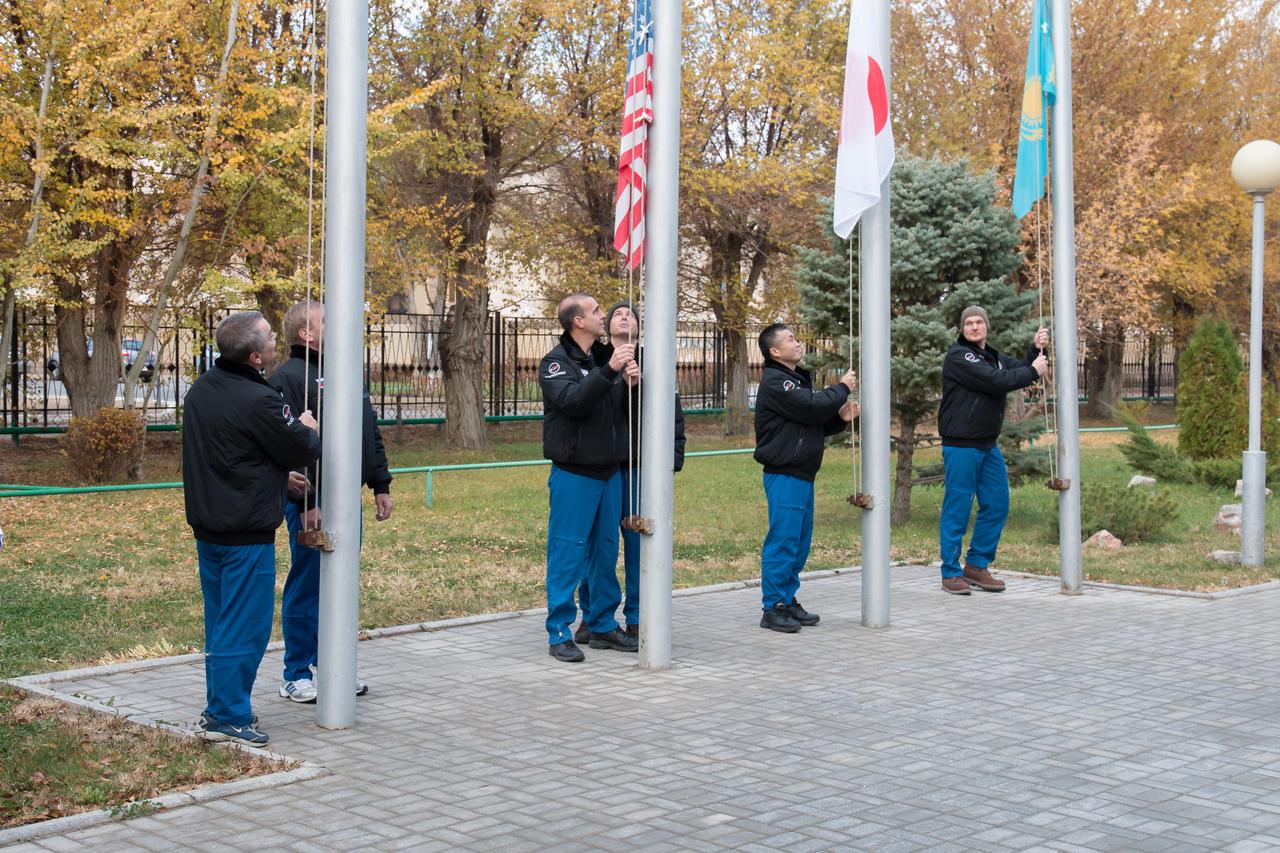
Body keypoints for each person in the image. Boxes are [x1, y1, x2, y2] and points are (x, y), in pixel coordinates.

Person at [183, 311, 321, 746]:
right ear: (257, 356)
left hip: (211, 526)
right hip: (246, 533)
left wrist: (279, 479)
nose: (276, 345)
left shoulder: (202, 389)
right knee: (244, 626)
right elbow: (302, 444)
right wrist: (306, 427)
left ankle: (218, 706)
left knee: (222, 621)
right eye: (269, 340)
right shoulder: (259, 399)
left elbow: (233, 456)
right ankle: (229, 714)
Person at [269, 301, 393, 701]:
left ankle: (334, 666)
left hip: (346, 495)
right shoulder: (288, 377)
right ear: (306, 333)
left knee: (339, 582)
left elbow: (367, 430)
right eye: (328, 321)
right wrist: (306, 503)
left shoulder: (344, 370)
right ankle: (297, 671)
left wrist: (380, 482)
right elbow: (290, 445)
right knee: (309, 583)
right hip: (313, 499)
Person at [573, 301, 685, 643]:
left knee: (640, 544)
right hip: (606, 467)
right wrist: (619, 382)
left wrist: (673, 456)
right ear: (606, 328)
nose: (624, 317)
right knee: (600, 547)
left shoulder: (657, 359)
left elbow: (672, 411)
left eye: (631, 314)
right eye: (617, 314)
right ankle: (593, 618)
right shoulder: (598, 359)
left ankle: (639, 615)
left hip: (642, 468)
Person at [541, 293, 638, 662]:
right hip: (575, 473)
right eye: (596, 311)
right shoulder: (556, 362)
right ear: (577, 322)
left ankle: (601, 625)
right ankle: (559, 632)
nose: (604, 315)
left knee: (604, 553)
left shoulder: (602, 358)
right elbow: (575, 402)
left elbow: (618, 412)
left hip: (609, 472)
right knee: (568, 552)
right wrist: (611, 371)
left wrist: (631, 384)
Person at [753, 323, 858, 633]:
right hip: (784, 473)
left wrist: (838, 419)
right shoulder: (776, 382)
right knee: (783, 541)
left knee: (798, 543)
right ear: (775, 351)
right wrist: (842, 388)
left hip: (802, 474)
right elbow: (812, 406)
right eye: (791, 340)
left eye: (796, 338)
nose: (798, 344)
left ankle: (787, 599)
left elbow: (811, 422)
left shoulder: (794, 380)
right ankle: (772, 607)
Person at [937, 306, 1048, 595]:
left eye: (979, 322)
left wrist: (1035, 350)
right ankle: (950, 572)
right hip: (960, 446)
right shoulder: (960, 357)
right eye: (969, 323)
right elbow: (996, 381)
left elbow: (1014, 370)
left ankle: (975, 566)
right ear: (962, 329)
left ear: (987, 326)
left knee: (997, 503)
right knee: (957, 508)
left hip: (987, 445)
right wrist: (1032, 371)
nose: (974, 327)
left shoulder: (993, 357)